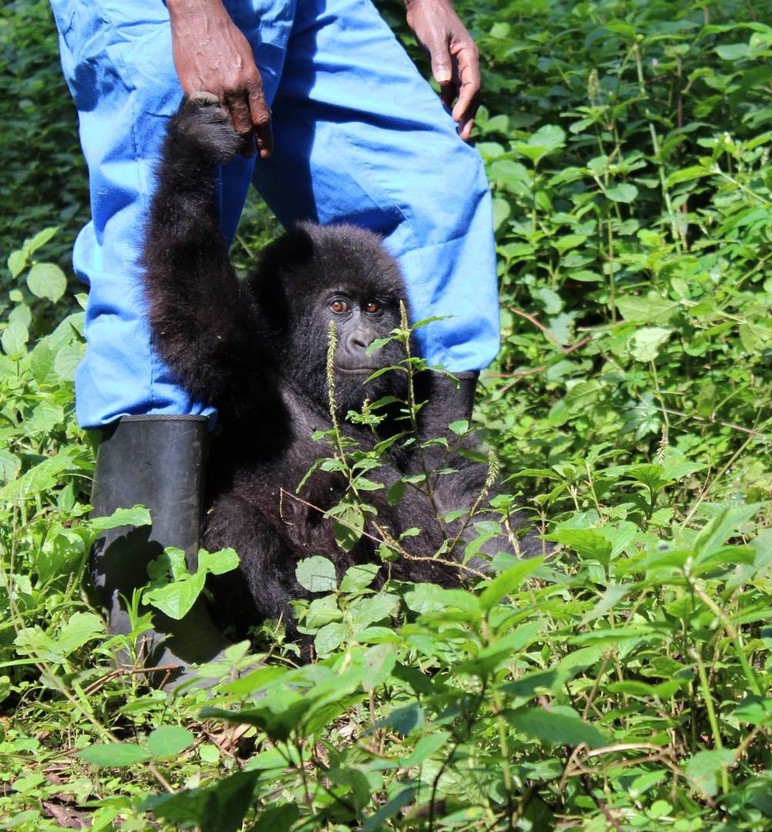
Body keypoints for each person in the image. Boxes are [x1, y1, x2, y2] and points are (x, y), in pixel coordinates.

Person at [50, 0, 500, 681]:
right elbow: (191, 294)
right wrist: (197, 15)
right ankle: (148, 614)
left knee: (433, 188)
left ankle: (473, 575)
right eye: (340, 310)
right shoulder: (257, 364)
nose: (361, 338)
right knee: (160, 202)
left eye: (375, 313)